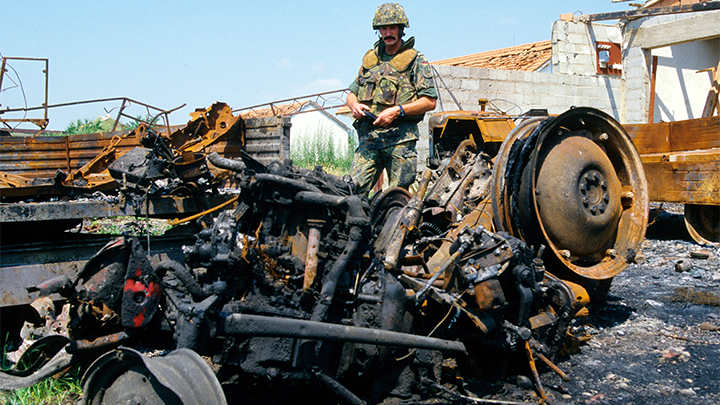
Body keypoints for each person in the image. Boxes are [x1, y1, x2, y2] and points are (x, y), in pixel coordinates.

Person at [346, 3, 437, 196]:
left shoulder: (416, 60)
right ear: (378, 30)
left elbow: (429, 101)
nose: (388, 33)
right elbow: (351, 93)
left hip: (400, 140)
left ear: (401, 29)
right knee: (352, 192)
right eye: (384, 28)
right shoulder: (370, 60)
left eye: (392, 27)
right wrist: (354, 105)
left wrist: (397, 111)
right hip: (369, 138)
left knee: (397, 198)